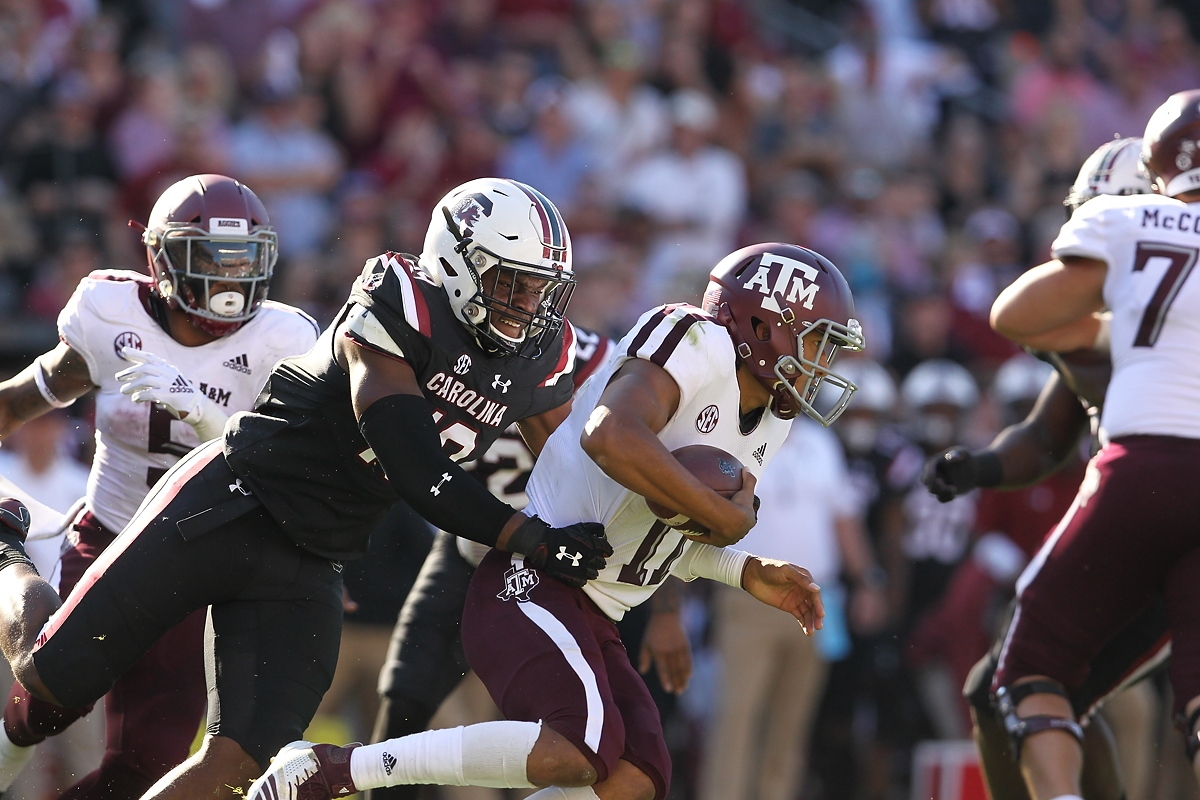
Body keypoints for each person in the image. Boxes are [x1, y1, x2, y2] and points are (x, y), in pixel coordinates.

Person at [0, 177, 612, 800]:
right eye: (513, 282)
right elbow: (418, 469)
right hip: (230, 504)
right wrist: (531, 539)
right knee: (49, 682)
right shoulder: (400, 302)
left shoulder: (542, 353)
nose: (530, 303)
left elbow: (568, 467)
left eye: (543, 286)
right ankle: (6, 552)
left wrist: (651, 529)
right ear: (457, 265)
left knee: (237, 767)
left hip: (313, 557)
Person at [244, 241, 865, 800]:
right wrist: (724, 521)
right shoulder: (694, 338)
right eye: (817, 340)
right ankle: (333, 769)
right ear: (760, 324)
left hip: (600, 607)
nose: (825, 359)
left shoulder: (774, 420)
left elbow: (655, 536)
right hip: (533, 575)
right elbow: (610, 434)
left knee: (637, 778)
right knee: (581, 746)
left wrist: (742, 568)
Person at [0, 174, 320, 800]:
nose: (228, 282)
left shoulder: (284, 339)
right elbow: (26, 398)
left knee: (147, 766)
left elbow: (287, 465)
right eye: (210, 261)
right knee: (51, 697)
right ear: (162, 258)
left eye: (242, 262)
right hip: (113, 533)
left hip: (204, 560)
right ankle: (4, 551)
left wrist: (200, 409)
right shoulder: (109, 312)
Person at [922, 136, 1161, 800]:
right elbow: (1049, 435)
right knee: (1036, 694)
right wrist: (981, 467)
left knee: (1024, 687)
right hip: (1140, 527)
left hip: (1157, 525)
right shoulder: (1101, 325)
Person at [983, 90, 1200, 798]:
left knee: (1028, 672)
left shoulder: (1129, 220)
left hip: (1146, 471)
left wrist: (1110, 328)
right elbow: (1042, 434)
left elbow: (1013, 315)